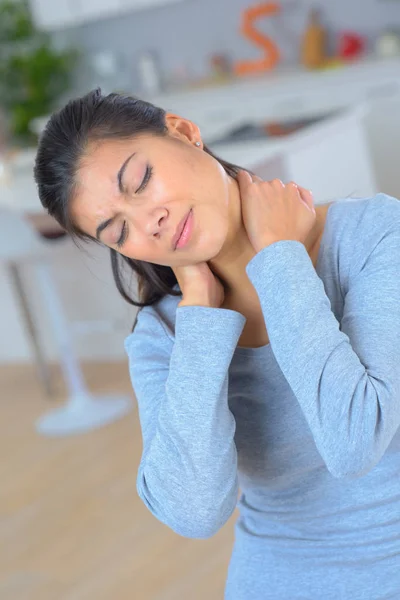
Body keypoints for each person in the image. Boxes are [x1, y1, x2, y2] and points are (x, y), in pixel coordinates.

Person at [34, 89, 400, 600]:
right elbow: (194, 511)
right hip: (277, 577)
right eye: (118, 231)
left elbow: (354, 442)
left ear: (183, 132)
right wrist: (202, 319)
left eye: (140, 182)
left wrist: (280, 260)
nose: (148, 223)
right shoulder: (166, 335)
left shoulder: (374, 236)